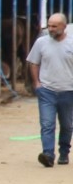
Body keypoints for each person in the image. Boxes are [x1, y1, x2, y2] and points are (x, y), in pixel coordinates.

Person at [26, 11, 73, 167]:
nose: (50, 29)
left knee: (66, 125)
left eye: (54, 26)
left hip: (68, 90)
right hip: (47, 90)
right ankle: (48, 154)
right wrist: (37, 83)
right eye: (49, 25)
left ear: (64, 27)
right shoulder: (41, 42)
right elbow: (33, 62)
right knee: (47, 124)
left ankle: (64, 152)